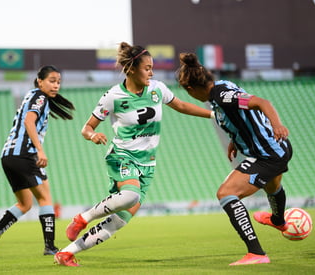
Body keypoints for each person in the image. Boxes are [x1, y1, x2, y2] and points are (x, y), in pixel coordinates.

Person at [54, 42, 214, 267]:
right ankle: (82, 217)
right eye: (147, 67)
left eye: (152, 67)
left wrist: (213, 115)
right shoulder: (113, 96)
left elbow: (182, 106)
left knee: (119, 222)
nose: (152, 72)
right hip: (122, 156)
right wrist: (93, 136)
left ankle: (66, 253)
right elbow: (86, 128)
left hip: (147, 165)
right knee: (131, 196)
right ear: (131, 69)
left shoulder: (157, 89)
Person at [177, 52, 293, 265]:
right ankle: (278, 220)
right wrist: (236, 139)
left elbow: (260, 102)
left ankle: (257, 253)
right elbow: (240, 117)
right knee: (272, 186)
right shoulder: (222, 86)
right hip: (276, 149)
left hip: (267, 154)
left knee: (226, 194)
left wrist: (277, 124)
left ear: (191, 90)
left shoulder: (221, 96)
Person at [0, 65, 75, 256]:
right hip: (24, 154)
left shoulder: (33, 96)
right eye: (52, 81)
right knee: (45, 197)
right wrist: (40, 150)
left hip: (8, 156)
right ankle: (49, 246)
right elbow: (28, 122)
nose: (56, 85)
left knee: (25, 204)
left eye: (58, 82)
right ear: (40, 81)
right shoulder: (39, 97)